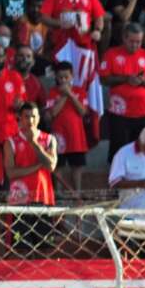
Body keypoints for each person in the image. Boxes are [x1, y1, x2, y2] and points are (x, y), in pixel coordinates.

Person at [99, 23, 145, 164]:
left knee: (139, 151)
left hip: (142, 113)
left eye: (138, 41)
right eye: (132, 41)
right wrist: (126, 79)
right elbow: (104, 79)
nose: (135, 45)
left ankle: (137, 181)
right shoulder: (111, 54)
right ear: (124, 38)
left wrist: (143, 82)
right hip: (119, 113)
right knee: (118, 151)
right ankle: (116, 182)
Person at [5, 103, 57, 250]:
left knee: (45, 249)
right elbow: (10, 173)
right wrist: (37, 166)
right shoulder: (11, 142)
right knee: (21, 250)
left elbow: (51, 166)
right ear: (19, 119)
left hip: (43, 199)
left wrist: (33, 142)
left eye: (34, 116)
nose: (30, 120)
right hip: (19, 200)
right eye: (26, 116)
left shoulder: (49, 139)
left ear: (39, 118)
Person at [46, 60, 88, 201]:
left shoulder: (80, 91)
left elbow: (83, 111)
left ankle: (78, 191)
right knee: (59, 164)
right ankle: (58, 192)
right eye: (60, 77)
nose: (63, 80)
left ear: (72, 76)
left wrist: (70, 94)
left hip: (76, 135)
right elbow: (52, 113)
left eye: (66, 77)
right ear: (56, 78)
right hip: (59, 135)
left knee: (77, 165)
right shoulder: (52, 92)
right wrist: (64, 95)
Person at [0, 42, 25, 192]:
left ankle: (9, 211)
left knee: (9, 172)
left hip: (9, 132)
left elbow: (21, 105)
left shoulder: (14, 77)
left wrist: (19, 105)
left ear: (5, 57)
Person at [40, 0, 105, 54]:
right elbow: (43, 17)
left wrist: (97, 30)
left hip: (84, 45)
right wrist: (60, 23)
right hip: (60, 45)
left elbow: (99, 17)